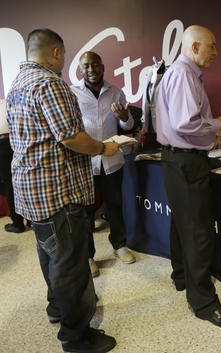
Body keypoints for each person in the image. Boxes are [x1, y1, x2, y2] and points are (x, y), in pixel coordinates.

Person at [6, 28, 118, 353]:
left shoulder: (18, 84)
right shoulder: (49, 83)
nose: (64, 62)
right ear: (56, 53)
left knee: (50, 253)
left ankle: (57, 307)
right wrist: (102, 148)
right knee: (70, 262)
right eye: (65, 56)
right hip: (59, 191)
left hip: (33, 190)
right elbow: (70, 136)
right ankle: (76, 335)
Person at [155, 25, 221, 328]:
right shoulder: (183, 74)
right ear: (194, 47)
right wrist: (217, 124)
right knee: (198, 233)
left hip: (178, 160)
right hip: (186, 162)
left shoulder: (183, 73)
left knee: (182, 226)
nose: (216, 52)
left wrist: (210, 133)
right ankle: (204, 303)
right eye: (212, 46)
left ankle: (182, 276)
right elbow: (184, 123)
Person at [71, 51, 136, 278]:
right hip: (85, 163)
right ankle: (88, 256)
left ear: (103, 66)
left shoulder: (116, 92)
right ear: (81, 70)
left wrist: (126, 116)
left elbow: (127, 126)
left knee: (114, 205)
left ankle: (119, 245)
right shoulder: (72, 93)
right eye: (86, 66)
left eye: (96, 65)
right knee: (86, 212)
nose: (91, 69)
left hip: (111, 161)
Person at [0, 99, 29, 232]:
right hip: (21, 139)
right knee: (26, 180)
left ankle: (17, 224)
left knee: (9, 183)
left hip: (3, 140)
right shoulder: (16, 102)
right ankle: (31, 220)